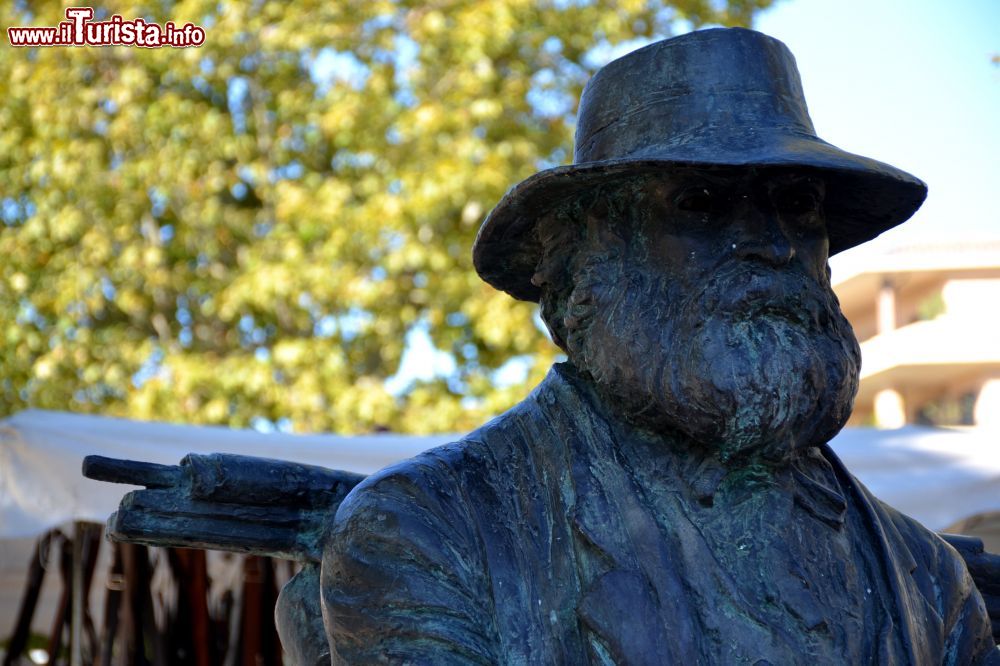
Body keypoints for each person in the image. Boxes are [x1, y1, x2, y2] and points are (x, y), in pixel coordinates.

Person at [318, 28, 998, 664]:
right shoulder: (431, 532)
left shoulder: (930, 582)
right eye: (699, 203)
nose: (774, 241)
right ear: (588, 260)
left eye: (797, 203)